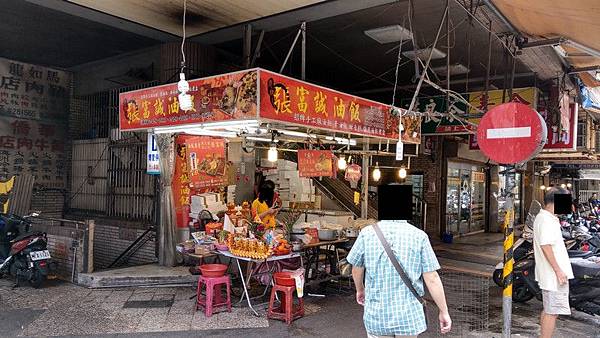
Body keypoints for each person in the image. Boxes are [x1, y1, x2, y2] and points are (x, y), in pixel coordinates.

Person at [347, 220, 452, 337]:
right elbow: (432, 278)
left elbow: (357, 268)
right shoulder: (419, 236)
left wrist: (360, 290)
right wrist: (443, 311)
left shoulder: (366, 234)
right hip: (408, 316)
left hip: (377, 315)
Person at [533, 187, 574, 338]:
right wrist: (558, 271)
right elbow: (546, 246)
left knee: (549, 310)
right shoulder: (546, 220)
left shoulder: (546, 217)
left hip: (551, 275)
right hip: (553, 276)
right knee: (552, 312)